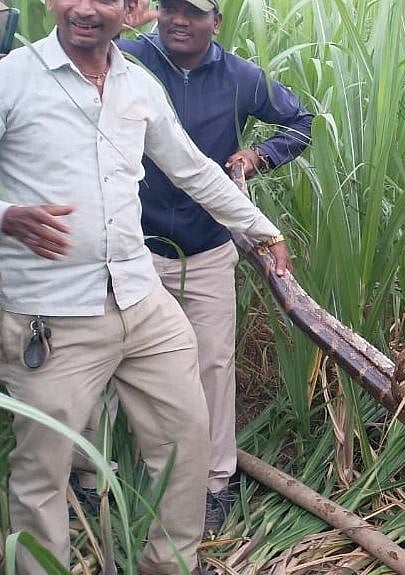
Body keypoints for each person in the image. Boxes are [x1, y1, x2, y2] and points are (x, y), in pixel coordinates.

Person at [0, 0, 291, 572]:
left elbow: (193, 168)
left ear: (131, 9)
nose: (86, 9)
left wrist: (260, 230)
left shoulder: (137, 85)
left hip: (140, 299)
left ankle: (171, 565)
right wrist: (5, 213)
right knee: (43, 470)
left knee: (185, 443)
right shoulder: (13, 77)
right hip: (51, 315)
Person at [72, 0, 314, 536]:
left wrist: (258, 155)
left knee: (212, 364)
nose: (180, 20)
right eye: (170, 8)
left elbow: (301, 123)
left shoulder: (242, 78)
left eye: (194, 12)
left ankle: (212, 483)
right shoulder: (129, 60)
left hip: (207, 247)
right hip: (131, 248)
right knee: (103, 355)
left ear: (216, 21)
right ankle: (93, 477)